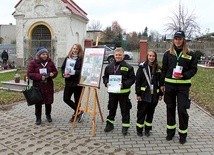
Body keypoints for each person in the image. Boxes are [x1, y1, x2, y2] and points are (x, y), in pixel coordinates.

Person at [160, 30, 198, 144]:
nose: (177, 41)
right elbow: (164, 69)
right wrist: (162, 84)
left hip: (183, 87)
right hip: (169, 85)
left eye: (180, 39)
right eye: (176, 39)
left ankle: (183, 134)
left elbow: (194, 69)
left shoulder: (190, 54)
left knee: (182, 110)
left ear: (183, 40)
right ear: (173, 40)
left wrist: (184, 75)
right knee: (170, 108)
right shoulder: (168, 53)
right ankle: (170, 132)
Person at [103, 47, 135, 136]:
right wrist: (106, 83)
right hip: (112, 93)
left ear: (123, 55)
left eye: (120, 55)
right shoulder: (109, 67)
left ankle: (125, 127)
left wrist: (124, 84)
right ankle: (110, 125)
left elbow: (132, 79)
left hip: (124, 93)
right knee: (111, 109)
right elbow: (105, 77)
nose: (118, 56)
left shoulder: (129, 67)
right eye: (116, 55)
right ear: (114, 55)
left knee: (125, 110)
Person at [135, 49, 163, 137]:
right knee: (141, 112)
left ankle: (147, 129)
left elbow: (161, 82)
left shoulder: (158, 69)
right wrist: (138, 94)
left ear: (155, 57)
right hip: (143, 95)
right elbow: (137, 82)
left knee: (150, 113)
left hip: (154, 95)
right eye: (150, 56)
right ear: (147, 57)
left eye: (153, 56)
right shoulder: (142, 68)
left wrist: (161, 94)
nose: (151, 57)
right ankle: (139, 129)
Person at [28, 47, 58, 125]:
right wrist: (40, 76)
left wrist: (53, 74)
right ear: (39, 55)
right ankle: (38, 118)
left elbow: (55, 71)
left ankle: (48, 115)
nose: (45, 56)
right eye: (43, 54)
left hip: (48, 85)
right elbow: (30, 74)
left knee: (48, 102)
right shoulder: (33, 63)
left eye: (46, 54)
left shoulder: (50, 62)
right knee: (38, 102)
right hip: (38, 86)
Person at [61, 44, 84, 123]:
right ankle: (79, 111)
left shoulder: (81, 59)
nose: (74, 50)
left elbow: (83, 71)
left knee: (77, 100)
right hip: (69, 82)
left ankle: (76, 114)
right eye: (73, 48)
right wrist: (63, 74)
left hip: (78, 83)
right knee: (66, 98)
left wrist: (74, 72)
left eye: (76, 49)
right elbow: (63, 68)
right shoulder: (68, 58)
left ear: (79, 50)